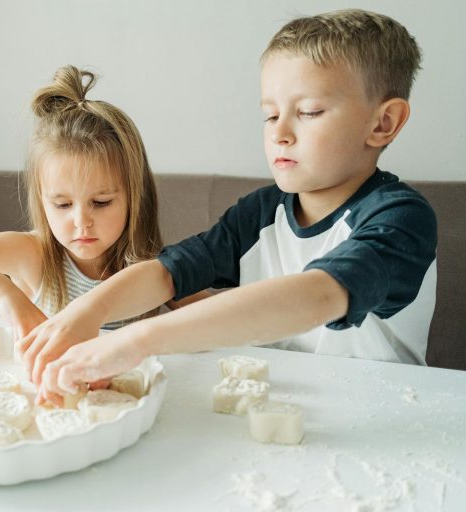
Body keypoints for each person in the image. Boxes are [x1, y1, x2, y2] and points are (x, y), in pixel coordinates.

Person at [24, 9, 438, 403]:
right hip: (281, 407)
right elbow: (168, 273)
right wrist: (87, 312)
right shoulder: (260, 212)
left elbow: (316, 296)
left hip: (383, 417)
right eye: (270, 115)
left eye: (309, 112)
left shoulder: (402, 219)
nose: (281, 133)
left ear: (382, 123)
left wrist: (136, 340)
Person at [0, 65, 202, 384]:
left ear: (135, 197)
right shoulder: (35, 254)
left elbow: (230, 322)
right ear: (41, 199)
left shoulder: (152, 270)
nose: (81, 222)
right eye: (61, 204)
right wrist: (1, 291)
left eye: (101, 202)